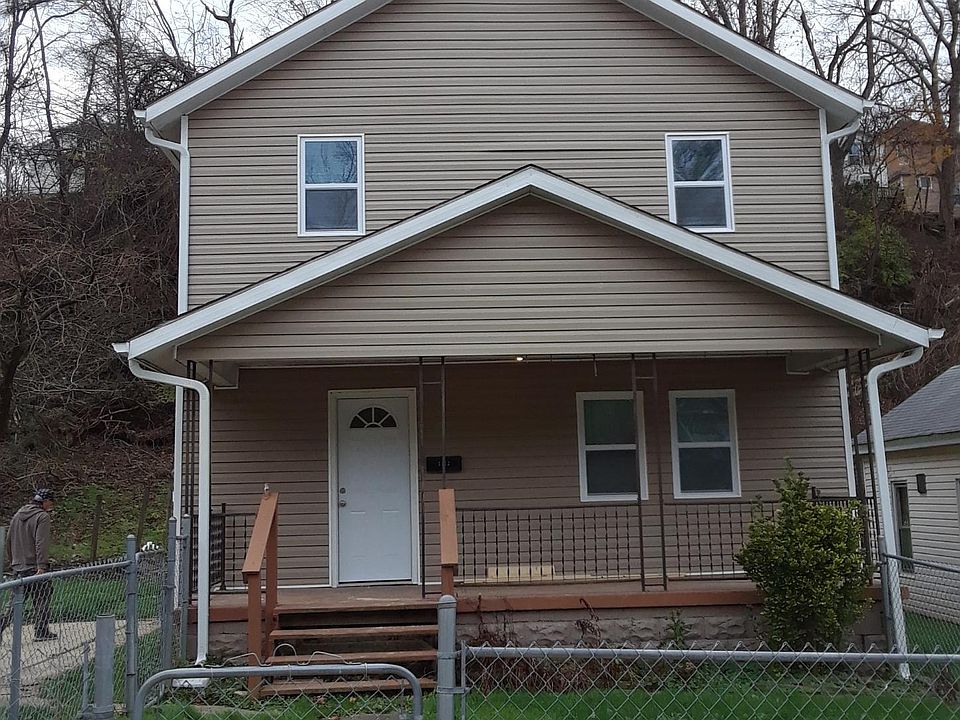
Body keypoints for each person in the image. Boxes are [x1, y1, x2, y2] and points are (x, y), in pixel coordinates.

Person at [0, 489, 57, 641]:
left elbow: (9, 540)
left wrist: (13, 561)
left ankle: (1, 625)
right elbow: (41, 543)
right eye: (50, 502)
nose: (51, 506)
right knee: (42, 598)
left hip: (19, 567)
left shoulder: (18, 515)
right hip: (35, 567)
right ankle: (41, 631)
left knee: (14, 603)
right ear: (45, 502)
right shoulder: (42, 516)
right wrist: (42, 565)